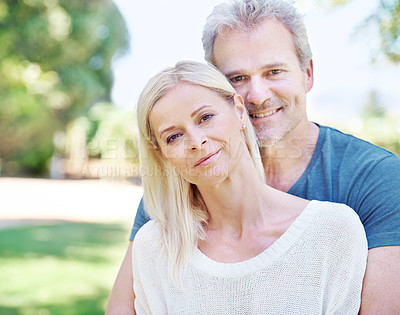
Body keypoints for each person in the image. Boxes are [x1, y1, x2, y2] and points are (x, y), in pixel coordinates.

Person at [106, 0, 400, 314]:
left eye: (274, 71)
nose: (257, 96)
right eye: (237, 78)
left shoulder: (377, 179)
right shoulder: (183, 188)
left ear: (307, 73)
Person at [133, 60, 367, 313]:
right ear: (162, 153)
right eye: (173, 137)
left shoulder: (333, 230)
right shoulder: (153, 247)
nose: (196, 141)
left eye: (205, 117)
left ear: (239, 111)